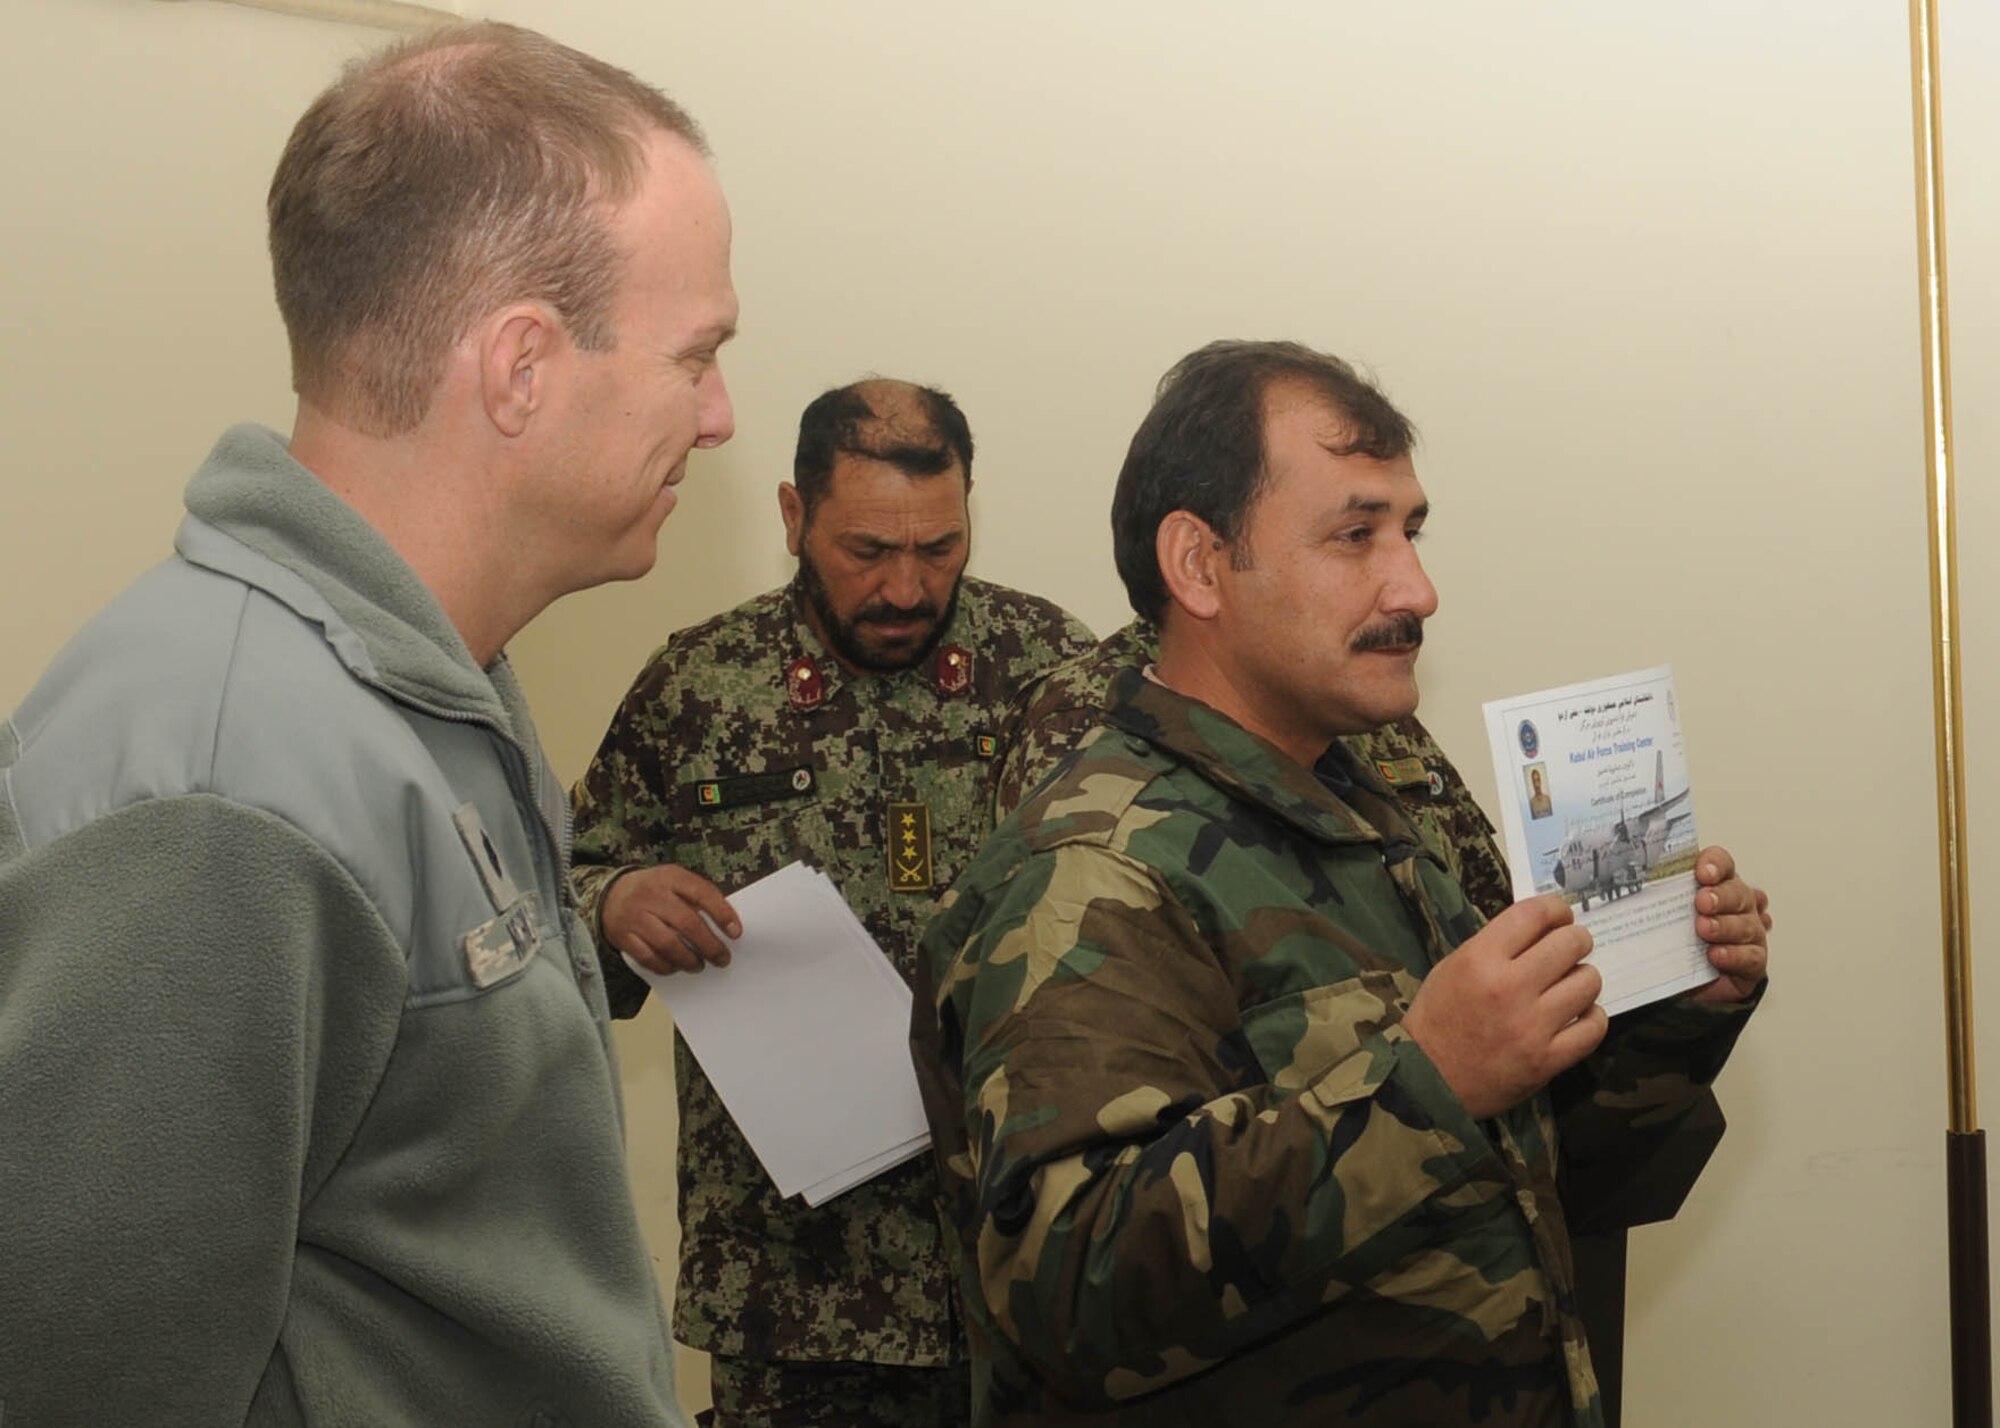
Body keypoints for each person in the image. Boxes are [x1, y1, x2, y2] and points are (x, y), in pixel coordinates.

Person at [0, 24, 735, 1426]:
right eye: (695, 356)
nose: (718, 417)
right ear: (521, 367)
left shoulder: (415, 690)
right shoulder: (223, 794)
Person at [913, 340, 1770, 1428]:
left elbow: (1534, 1180)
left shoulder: (1367, 817)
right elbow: (1070, 1296)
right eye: (1355, 535)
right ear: (1198, 565)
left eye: (1410, 532)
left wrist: (1675, 1014)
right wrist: (1428, 1080)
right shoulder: (1090, 869)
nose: (1416, 589)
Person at [570, 378, 1095, 1427]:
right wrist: (614, 901)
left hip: (1025, 1270)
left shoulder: (1049, 671)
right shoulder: (701, 687)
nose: (906, 587)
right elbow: (560, 884)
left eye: (939, 547)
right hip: (793, 1288)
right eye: (867, 551)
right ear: (794, 516)